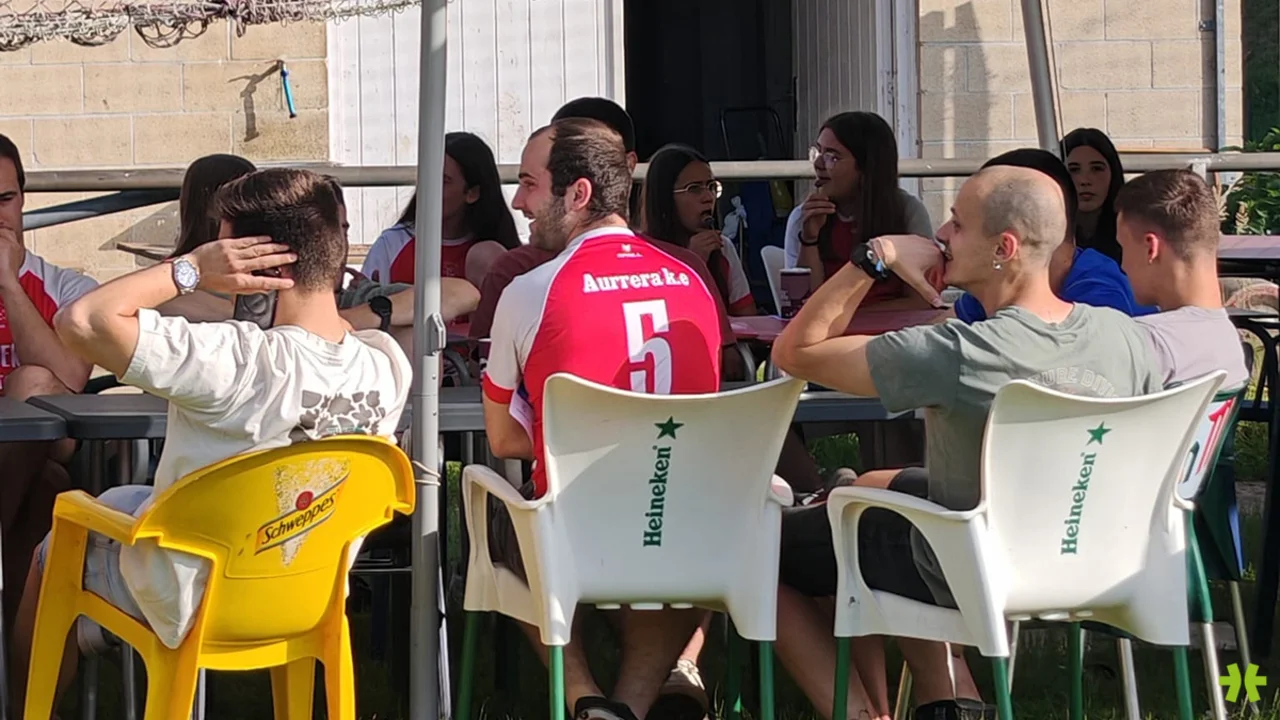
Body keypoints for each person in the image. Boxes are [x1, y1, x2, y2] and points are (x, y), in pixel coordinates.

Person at [10, 168, 413, 712]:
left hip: (193, 597)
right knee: (126, 503)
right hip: (309, 588)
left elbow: (81, 320)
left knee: (55, 545)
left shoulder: (233, 360)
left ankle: (22, 708)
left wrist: (191, 270)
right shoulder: (387, 367)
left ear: (262, 266)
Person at [769, 166, 1163, 719]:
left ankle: (861, 715)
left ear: (1004, 248)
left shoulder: (958, 352)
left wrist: (874, 258)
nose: (941, 234)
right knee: (877, 487)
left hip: (966, 567)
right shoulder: (1125, 338)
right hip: (1092, 558)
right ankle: (950, 702)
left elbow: (795, 353)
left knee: (760, 546)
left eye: (957, 222)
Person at [481, 117, 721, 720]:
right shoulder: (693, 282)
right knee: (654, 524)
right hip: (685, 528)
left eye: (529, 184)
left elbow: (504, 439)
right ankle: (631, 704)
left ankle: (583, 697)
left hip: (572, 530)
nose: (518, 202)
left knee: (502, 513)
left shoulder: (531, 291)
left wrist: (580, 442)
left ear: (578, 193)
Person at [154, 164, 478, 355]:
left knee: (411, 333)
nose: (338, 242)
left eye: (343, 229)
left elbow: (463, 293)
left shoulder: (359, 296)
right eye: (329, 231)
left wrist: (351, 319)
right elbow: (164, 303)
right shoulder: (236, 294)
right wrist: (286, 321)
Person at [0, 134, 99, 633]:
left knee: (34, 381)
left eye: (4, 199)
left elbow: (70, 384)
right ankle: (27, 682)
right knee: (47, 492)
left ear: (23, 198)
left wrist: (7, 283)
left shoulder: (70, 288)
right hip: (40, 475)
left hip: (49, 438)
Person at [952, 148, 1149, 322]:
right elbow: (941, 326)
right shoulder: (1002, 280)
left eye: (959, 225)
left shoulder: (1098, 296)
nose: (942, 235)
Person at [1115, 169, 1251, 388]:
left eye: (1123, 247)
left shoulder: (1146, 343)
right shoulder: (1229, 340)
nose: (1122, 265)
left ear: (1151, 248)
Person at [785, 111, 937, 303]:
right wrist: (809, 240)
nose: (818, 164)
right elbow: (803, 302)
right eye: (818, 152)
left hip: (891, 323)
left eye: (832, 157)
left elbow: (921, 301)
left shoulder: (907, 212)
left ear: (867, 167)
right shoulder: (804, 217)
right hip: (828, 323)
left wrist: (849, 316)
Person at [362, 131, 521, 289]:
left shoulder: (493, 251)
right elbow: (363, 300)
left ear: (472, 193)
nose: (430, 188)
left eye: (443, 181)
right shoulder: (392, 244)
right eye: (427, 177)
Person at [642, 144, 757, 316]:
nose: (708, 197)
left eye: (711, 186)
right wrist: (692, 263)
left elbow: (747, 317)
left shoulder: (723, 248)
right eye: (694, 189)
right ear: (665, 198)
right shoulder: (643, 254)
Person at [1062, 127, 1125, 264]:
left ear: (1113, 173)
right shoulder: (1046, 236)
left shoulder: (1133, 232)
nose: (1085, 180)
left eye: (1096, 168)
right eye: (1074, 169)